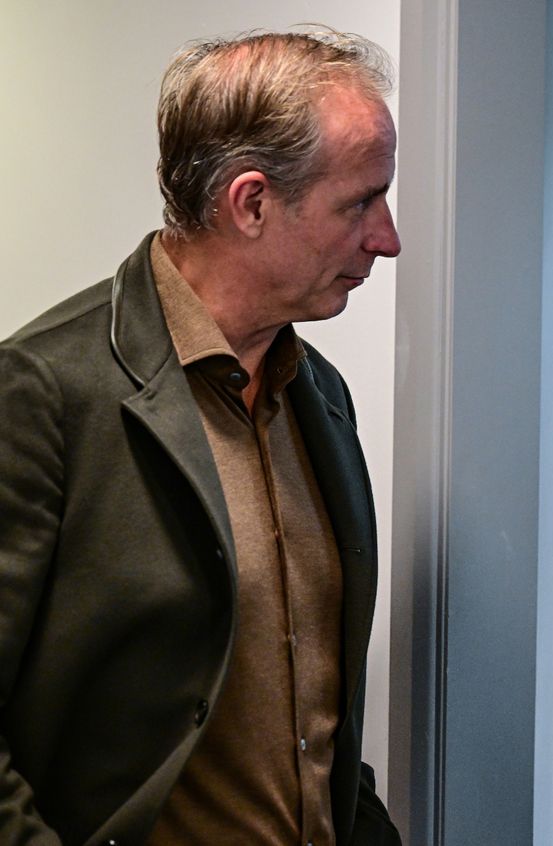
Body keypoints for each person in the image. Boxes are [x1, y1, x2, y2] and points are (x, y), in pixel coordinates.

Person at [0, 30, 403, 845]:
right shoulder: (42, 393)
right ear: (250, 203)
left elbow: (316, 719)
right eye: (359, 202)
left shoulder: (318, 394)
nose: (386, 237)